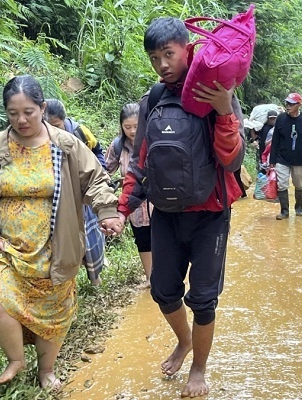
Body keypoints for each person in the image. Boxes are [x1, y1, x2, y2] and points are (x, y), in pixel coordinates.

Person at [0, 75, 123, 389]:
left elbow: (95, 179)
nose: (21, 119)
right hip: (7, 248)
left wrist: (107, 212)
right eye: (13, 113)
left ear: (42, 108)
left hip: (55, 246)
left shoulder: (66, 145)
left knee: (53, 312)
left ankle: (46, 370)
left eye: (28, 111)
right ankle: (16, 358)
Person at [116, 17, 244, 398]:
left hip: (210, 214)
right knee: (163, 291)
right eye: (155, 58)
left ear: (187, 49)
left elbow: (233, 160)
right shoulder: (153, 99)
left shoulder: (215, 90)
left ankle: (199, 369)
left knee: (203, 299)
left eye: (168, 54)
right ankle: (184, 341)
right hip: (167, 214)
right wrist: (123, 210)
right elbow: (141, 160)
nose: (162, 65)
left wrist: (223, 110)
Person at [44, 98, 108, 285]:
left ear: (64, 120)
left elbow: (97, 151)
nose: (53, 130)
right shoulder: (39, 139)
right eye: (48, 126)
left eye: (56, 125)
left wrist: (99, 173)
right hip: (59, 198)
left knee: (90, 235)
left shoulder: (79, 132)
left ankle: (95, 277)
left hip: (83, 194)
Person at [105, 103, 153, 289]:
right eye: (128, 127)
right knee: (142, 240)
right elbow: (105, 171)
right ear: (122, 127)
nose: (133, 131)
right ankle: (150, 278)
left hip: (157, 202)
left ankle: (164, 279)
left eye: (136, 126)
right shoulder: (118, 146)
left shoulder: (153, 140)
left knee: (162, 239)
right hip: (133, 204)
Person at [269, 92, 302, 219]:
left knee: (299, 185)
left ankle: (299, 207)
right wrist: (272, 159)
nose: (288, 106)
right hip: (282, 158)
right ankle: (284, 211)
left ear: (299, 105)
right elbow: (275, 139)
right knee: (282, 184)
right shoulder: (281, 118)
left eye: (291, 104)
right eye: (287, 103)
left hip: (300, 158)